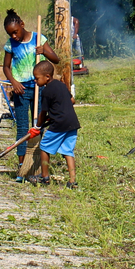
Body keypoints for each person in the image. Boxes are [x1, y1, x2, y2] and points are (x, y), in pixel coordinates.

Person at [1, 8, 60, 172]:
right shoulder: (10, 44)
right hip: (21, 90)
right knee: (22, 127)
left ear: (22, 25)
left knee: (38, 126)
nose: (14, 36)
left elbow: (56, 59)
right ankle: (22, 165)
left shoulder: (38, 38)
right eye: (10, 34)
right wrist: (13, 82)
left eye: (15, 32)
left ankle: (39, 164)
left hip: (40, 89)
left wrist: (44, 52)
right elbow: (6, 67)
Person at [29, 60, 80, 188]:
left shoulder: (46, 92)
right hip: (72, 122)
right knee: (68, 151)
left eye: (37, 79)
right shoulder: (61, 85)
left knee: (44, 147)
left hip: (59, 124)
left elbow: (43, 112)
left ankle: (44, 177)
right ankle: (72, 181)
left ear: (47, 77)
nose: (35, 81)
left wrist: (37, 126)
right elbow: (72, 100)